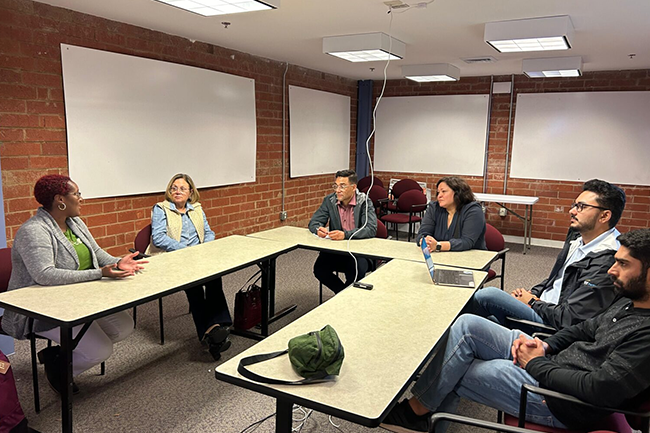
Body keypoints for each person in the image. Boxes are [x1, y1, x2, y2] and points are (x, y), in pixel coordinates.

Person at [382, 228, 650, 433]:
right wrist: (546, 345)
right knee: (466, 325)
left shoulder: (646, 336)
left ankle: (417, 415)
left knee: (457, 367)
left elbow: (597, 390)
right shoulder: (629, 300)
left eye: (623, 264)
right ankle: (420, 414)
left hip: (559, 401)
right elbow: (584, 328)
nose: (612, 271)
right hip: (554, 361)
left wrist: (535, 364)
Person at [1, 175, 146, 395]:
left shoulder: (74, 222)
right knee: (100, 351)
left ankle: (59, 355)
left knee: (124, 326)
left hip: (81, 299)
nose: (81, 199)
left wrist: (117, 262)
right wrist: (99, 273)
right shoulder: (35, 230)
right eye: (76, 194)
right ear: (60, 199)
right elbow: (44, 274)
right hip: (45, 309)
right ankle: (59, 368)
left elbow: (95, 253)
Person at [473, 179, 626, 331]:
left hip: (551, 323)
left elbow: (569, 318)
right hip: (542, 306)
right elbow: (556, 279)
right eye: (575, 205)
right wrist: (531, 293)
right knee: (475, 320)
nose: (572, 211)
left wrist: (533, 302)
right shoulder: (578, 237)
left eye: (582, 207)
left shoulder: (609, 260)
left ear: (604, 216)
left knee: (487, 295)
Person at [150, 173, 232, 360]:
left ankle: (218, 327)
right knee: (195, 288)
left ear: (190, 193)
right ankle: (212, 333)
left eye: (182, 188)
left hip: (200, 255)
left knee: (214, 279)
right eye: (174, 188)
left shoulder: (196, 209)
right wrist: (186, 251)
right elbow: (159, 238)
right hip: (176, 257)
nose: (177, 191)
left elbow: (209, 231)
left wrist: (204, 247)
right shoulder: (161, 209)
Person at [308, 169, 377, 294]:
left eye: (342, 186)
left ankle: (344, 298)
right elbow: (314, 222)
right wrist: (318, 229)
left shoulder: (364, 202)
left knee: (355, 271)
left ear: (353, 187)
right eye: (336, 186)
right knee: (319, 269)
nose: (337, 190)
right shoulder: (330, 200)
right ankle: (342, 295)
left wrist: (345, 235)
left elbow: (370, 229)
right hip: (336, 250)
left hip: (358, 252)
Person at [416, 176, 486, 252]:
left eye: (443, 191)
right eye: (438, 192)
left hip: (471, 258)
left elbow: (467, 242)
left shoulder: (473, 210)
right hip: (440, 256)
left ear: (457, 193)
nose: (439, 196)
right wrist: (425, 241)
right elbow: (423, 233)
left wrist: (438, 245)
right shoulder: (434, 208)